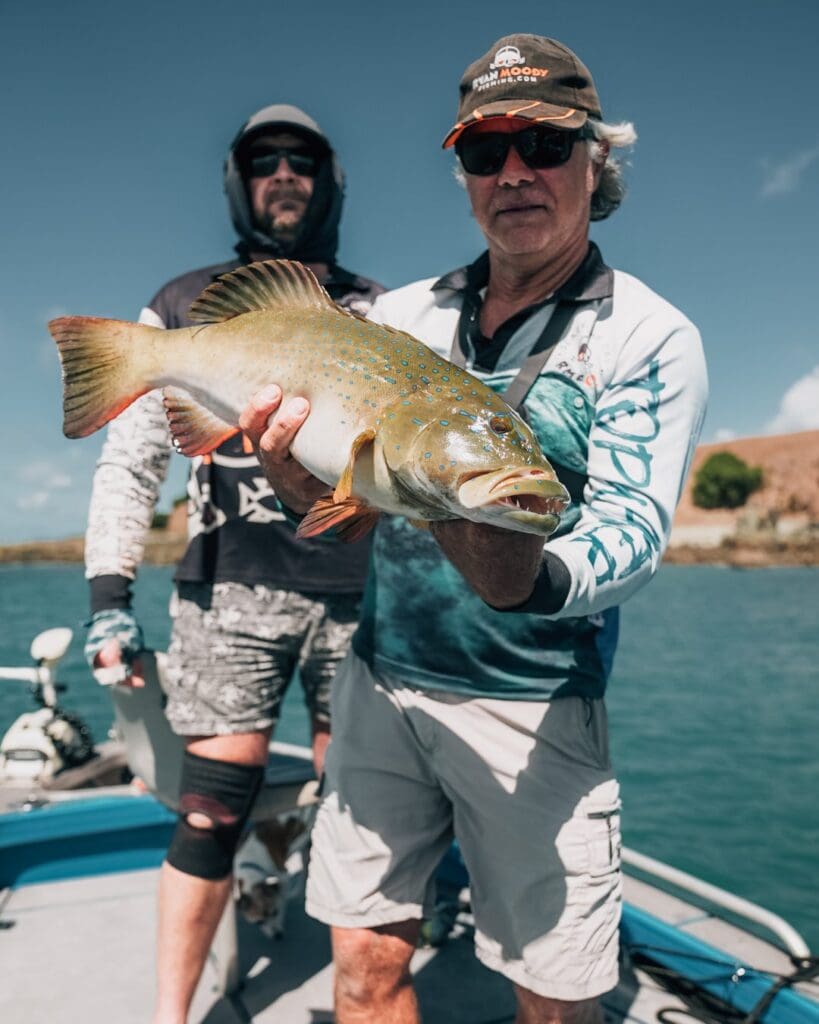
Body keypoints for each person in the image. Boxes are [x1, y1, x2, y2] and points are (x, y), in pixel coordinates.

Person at [240, 34, 708, 1024]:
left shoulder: (648, 335)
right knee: (362, 973)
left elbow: (631, 535)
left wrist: (513, 569)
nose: (513, 173)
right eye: (481, 151)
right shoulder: (400, 314)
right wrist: (287, 468)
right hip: (380, 681)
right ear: (460, 175)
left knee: (551, 999)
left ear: (597, 161)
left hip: (533, 709)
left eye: (541, 143)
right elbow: (345, 514)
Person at [82, 104, 384, 1024]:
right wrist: (107, 598)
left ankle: (359, 995)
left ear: (330, 183)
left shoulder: (379, 308)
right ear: (237, 181)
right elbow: (132, 466)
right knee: (211, 804)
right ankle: (172, 1015)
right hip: (228, 586)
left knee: (356, 808)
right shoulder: (177, 305)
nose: (284, 175)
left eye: (304, 161)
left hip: (357, 591)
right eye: (264, 162)